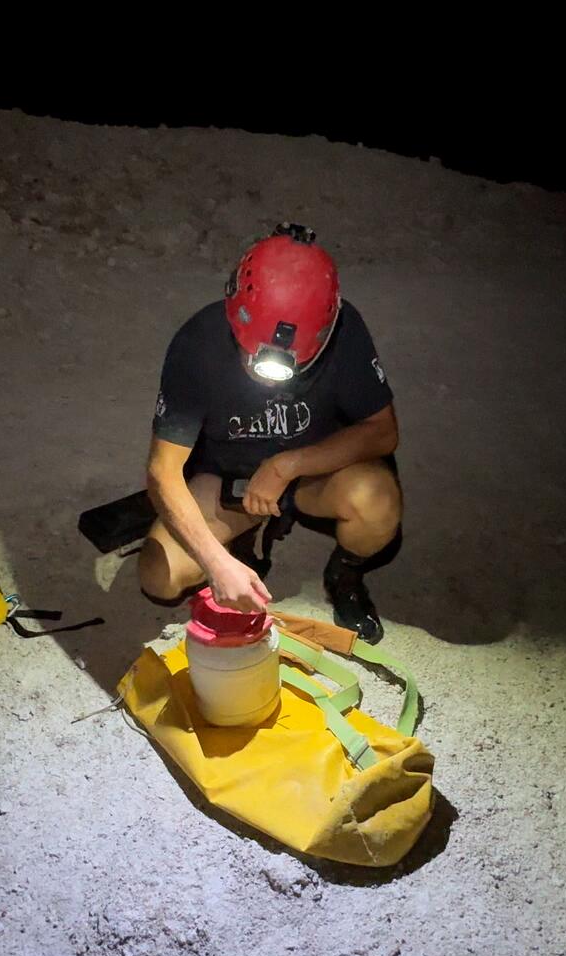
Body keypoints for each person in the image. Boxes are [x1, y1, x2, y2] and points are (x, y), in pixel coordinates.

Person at [137, 223, 403, 643]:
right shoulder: (198, 342)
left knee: (378, 503)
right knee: (159, 576)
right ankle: (241, 541)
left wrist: (287, 465)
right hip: (229, 480)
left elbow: (382, 432)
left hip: (315, 474)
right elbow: (162, 470)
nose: (266, 373)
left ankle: (345, 576)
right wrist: (216, 562)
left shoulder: (345, 330)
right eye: (252, 355)